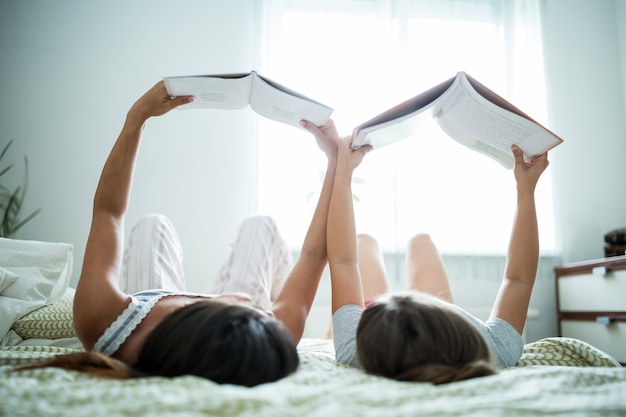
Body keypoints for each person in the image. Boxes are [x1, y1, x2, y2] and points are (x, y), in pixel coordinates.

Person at [20, 81, 342, 387]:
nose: (257, 304)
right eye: (262, 311)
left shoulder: (107, 322)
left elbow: (108, 213)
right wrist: (333, 159)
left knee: (152, 225)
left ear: (213, 324)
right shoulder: (267, 333)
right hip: (214, 327)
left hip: (160, 309)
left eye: (253, 310)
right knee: (262, 226)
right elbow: (313, 256)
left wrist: (137, 118)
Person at [327, 135, 549, 385]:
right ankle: (425, 295)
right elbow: (517, 279)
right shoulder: (490, 349)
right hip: (410, 323)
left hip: (387, 328)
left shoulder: (352, 351)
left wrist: (342, 171)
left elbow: (344, 262)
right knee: (421, 240)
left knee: (364, 241)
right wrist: (527, 189)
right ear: (458, 328)